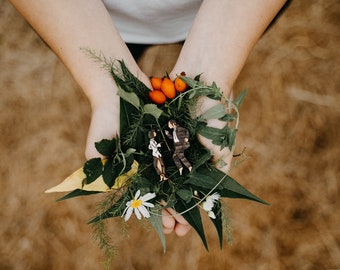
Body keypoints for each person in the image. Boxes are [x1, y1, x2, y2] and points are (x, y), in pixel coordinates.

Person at [8, 0, 288, 237]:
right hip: (85, 18)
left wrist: (212, 67)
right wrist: (109, 86)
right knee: (127, 49)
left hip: (229, 15)